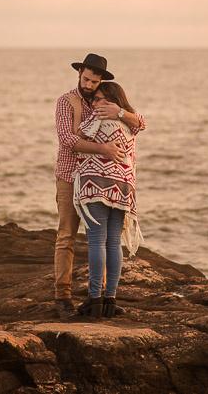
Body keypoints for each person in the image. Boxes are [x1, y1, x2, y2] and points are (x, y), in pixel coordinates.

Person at [53, 53, 145, 319]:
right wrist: (103, 148)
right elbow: (67, 139)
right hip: (70, 175)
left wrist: (120, 112)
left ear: (101, 80)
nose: (89, 85)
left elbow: (141, 124)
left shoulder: (107, 102)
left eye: (94, 81)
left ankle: (101, 296)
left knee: (101, 239)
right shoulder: (66, 102)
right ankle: (63, 295)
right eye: (86, 79)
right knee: (67, 236)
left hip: (95, 181)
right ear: (79, 73)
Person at [74, 81, 142, 318]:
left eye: (101, 99)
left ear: (113, 100)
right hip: (123, 186)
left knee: (96, 241)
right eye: (94, 99)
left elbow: (77, 141)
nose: (95, 103)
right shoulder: (129, 124)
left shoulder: (97, 118)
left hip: (97, 183)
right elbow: (141, 123)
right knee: (113, 243)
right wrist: (122, 113)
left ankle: (95, 300)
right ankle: (110, 301)